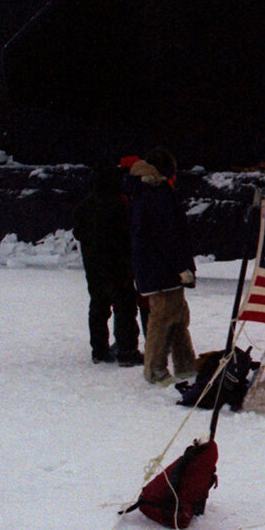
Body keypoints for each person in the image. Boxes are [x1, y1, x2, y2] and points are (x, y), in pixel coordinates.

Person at [128, 149, 197, 385]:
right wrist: (181, 267)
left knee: (176, 316)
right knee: (163, 319)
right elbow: (167, 236)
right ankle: (155, 369)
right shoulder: (157, 196)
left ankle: (185, 364)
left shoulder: (147, 193)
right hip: (162, 270)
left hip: (157, 269)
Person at [73, 161, 142, 366]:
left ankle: (99, 350)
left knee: (98, 306)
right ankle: (127, 351)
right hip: (118, 264)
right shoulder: (120, 204)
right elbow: (127, 235)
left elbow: (79, 233)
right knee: (125, 307)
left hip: (93, 265)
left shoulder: (84, 206)